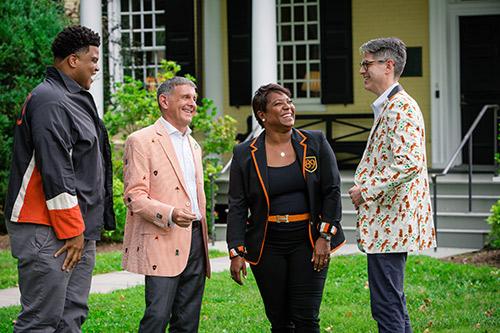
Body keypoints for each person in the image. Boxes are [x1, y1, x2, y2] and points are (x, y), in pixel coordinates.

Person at [4, 25, 116, 332]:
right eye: (93, 59)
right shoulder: (50, 100)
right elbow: (56, 170)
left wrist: (86, 229)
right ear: (72, 60)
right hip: (48, 229)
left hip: (77, 230)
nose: (96, 67)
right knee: (41, 321)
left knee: (71, 317)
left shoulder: (74, 98)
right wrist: (72, 230)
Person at [227, 83, 345, 332]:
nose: (288, 106)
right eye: (279, 103)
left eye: (289, 101)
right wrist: (236, 251)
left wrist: (325, 236)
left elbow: (332, 190)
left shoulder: (315, 142)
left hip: (309, 240)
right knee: (280, 320)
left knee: (306, 318)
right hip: (267, 243)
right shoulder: (244, 154)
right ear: (262, 114)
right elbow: (237, 205)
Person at [348, 37, 436, 333]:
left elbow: (410, 163)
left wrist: (366, 190)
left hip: (391, 225)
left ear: (388, 66)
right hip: (389, 226)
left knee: (387, 305)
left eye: (366, 64)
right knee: (391, 303)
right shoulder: (391, 106)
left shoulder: (400, 108)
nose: (361, 70)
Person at [121, 76, 211, 332]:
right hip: (163, 237)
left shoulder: (193, 144)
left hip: (195, 238)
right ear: (164, 101)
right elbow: (134, 196)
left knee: (187, 321)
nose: (192, 104)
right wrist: (170, 213)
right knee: (157, 317)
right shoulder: (141, 140)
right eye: (185, 97)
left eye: (194, 99)